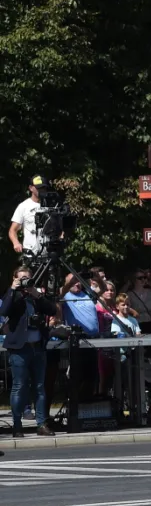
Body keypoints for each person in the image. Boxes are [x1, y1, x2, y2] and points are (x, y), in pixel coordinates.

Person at [3, 267, 58, 437]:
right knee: (19, 386)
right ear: (15, 279)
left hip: (38, 347)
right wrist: (13, 289)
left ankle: (41, 424)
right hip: (20, 348)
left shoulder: (36, 296)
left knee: (40, 387)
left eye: (28, 278)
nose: (26, 281)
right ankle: (17, 425)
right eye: (22, 279)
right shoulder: (13, 296)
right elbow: (3, 310)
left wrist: (36, 293)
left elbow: (52, 310)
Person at [9, 175, 49, 256]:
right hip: (31, 256)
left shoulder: (51, 206)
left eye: (43, 188)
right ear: (31, 188)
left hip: (49, 255)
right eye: (39, 188)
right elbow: (12, 230)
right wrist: (16, 243)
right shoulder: (24, 206)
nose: (41, 190)